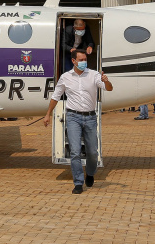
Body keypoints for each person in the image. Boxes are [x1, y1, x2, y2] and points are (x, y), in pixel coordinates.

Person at [44, 49, 113, 194]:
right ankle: (78, 183)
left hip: (90, 117)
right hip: (73, 116)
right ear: (73, 61)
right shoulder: (65, 77)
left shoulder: (94, 75)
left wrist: (107, 82)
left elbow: (109, 89)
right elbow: (56, 96)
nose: (83, 62)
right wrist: (48, 114)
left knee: (93, 152)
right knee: (75, 151)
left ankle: (90, 172)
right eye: (81, 60)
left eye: (85, 59)